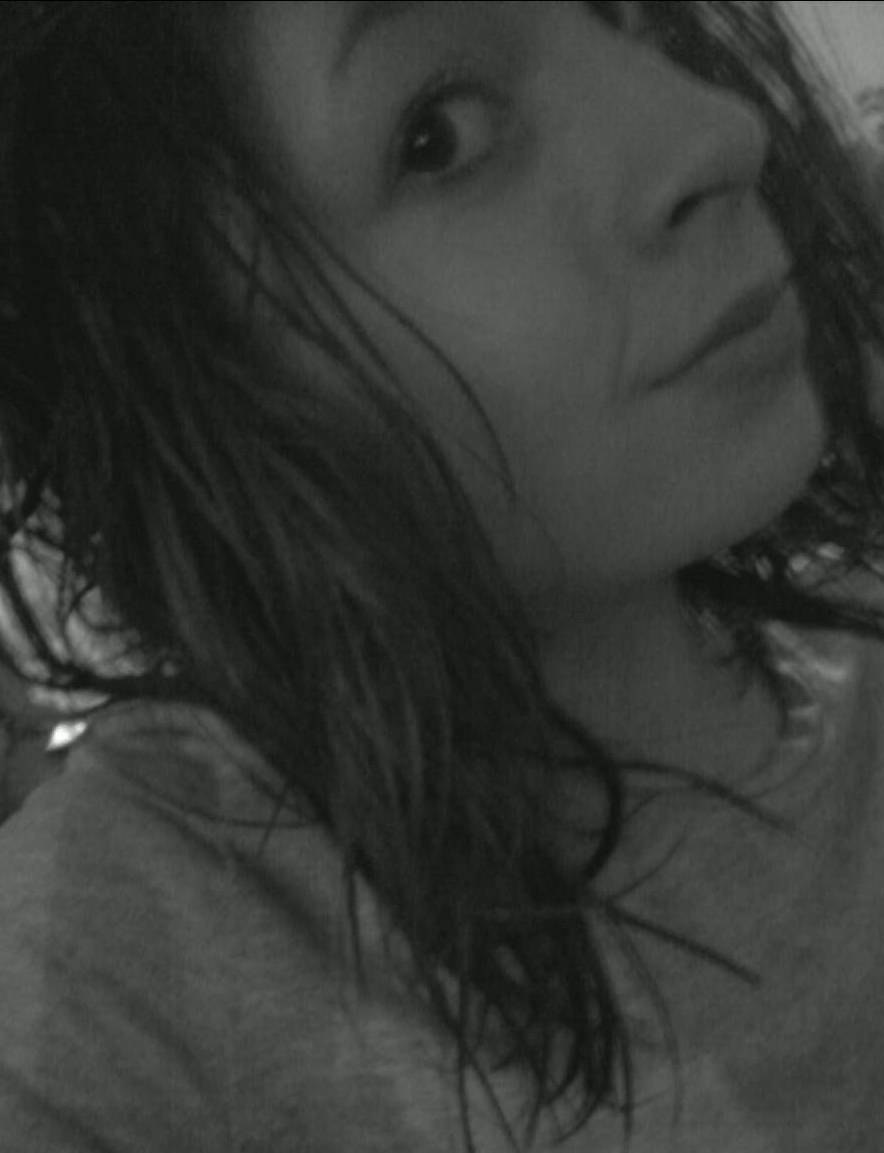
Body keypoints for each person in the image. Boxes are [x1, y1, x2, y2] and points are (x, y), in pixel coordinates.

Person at [1, 2, 883, 1150]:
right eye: (441, 136)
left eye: (626, 16)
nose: (716, 131)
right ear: (181, 392)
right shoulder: (126, 959)